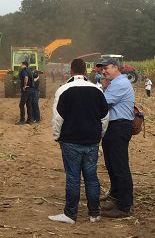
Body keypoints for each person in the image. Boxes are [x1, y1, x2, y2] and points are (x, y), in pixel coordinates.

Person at [49, 58, 110, 224]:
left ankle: (70, 214)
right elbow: (105, 117)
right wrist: (99, 135)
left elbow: (58, 118)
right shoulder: (97, 90)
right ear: (85, 72)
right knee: (91, 177)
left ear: (71, 70)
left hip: (70, 141)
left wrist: (56, 136)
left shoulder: (63, 90)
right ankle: (94, 213)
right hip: (92, 141)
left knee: (73, 177)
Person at [98, 57, 136, 218]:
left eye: (106, 68)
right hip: (113, 127)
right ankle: (115, 195)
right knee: (112, 164)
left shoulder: (120, 83)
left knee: (119, 166)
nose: (103, 71)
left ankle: (124, 206)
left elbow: (103, 103)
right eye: (102, 69)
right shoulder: (114, 83)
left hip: (119, 126)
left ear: (115, 67)